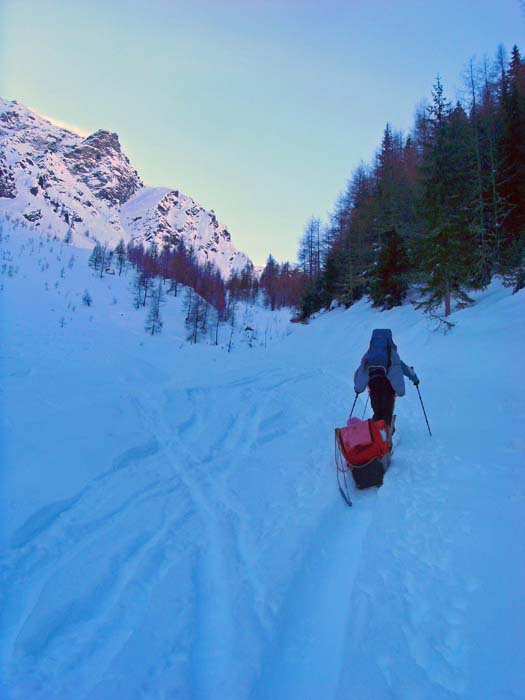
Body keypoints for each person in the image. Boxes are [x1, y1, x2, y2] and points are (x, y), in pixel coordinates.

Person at [353, 329, 419, 429]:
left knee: (377, 411)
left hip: (373, 385)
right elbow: (403, 368)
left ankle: (376, 435)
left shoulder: (369, 355)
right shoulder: (392, 354)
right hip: (388, 386)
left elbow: (361, 371)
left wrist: (358, 388)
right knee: (387, 411)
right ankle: (386, 434)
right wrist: (415, 379)